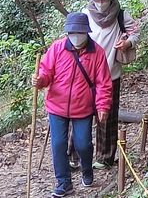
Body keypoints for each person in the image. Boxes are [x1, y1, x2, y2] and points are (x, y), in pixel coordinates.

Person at [33, 13, 112, 197]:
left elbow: (103, 83)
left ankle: (87, 169)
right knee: (59, 144)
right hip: (56, 105)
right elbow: (46, 72)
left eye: (79, 32)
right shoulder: (57, 48)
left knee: (83, 144)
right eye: (72, 32)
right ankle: (64, 182)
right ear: (67, 33)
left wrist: (102, 106)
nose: (75, 35)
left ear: (86, 32)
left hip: (82, 106)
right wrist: (40, 81)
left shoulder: (97, 52)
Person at [81, 0, 139, 169]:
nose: (100, 3)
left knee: (108, 116)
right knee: (81, 115)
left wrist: (128, 42)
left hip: (111, 74)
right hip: (85, 76)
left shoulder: (121, 15)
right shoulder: (84, 15)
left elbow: (135, 33)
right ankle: (75, 156)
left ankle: (105, 157)